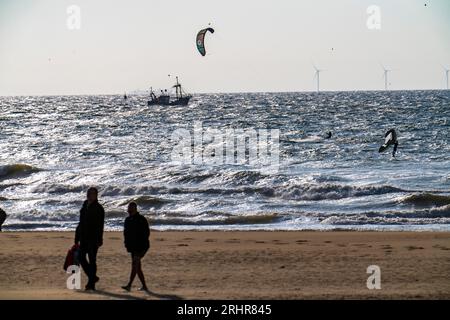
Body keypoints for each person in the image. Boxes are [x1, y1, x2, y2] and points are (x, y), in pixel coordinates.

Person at [75, 187, 105, 291]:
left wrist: (100, 239)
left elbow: (101, 226)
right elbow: (80, 223)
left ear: (96, 195)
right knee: (81, 257)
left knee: (92, 260)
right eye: (89, 193)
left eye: (93, 193)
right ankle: (93, 277)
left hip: (93, 239)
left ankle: (91, 284)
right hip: (83, 238)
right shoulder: (84, 206)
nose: (90, 195)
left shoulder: (99, 208)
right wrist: (76, 237)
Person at [122, 202, 150, 292]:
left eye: (131, 208)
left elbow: (146, 233)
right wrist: (126, 244)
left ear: (135, 209)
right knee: (137, 267)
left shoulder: (141, 219)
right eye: (129, 208)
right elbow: (125, 233)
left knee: (135, 264)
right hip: (133, 247)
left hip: (142, 246)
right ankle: (144, 286)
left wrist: (141, 244)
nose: (129, 210)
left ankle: (129, 285)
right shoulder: (127, 220)